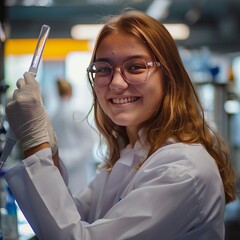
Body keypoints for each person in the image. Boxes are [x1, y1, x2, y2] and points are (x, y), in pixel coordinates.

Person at [4, 10, 237, 240]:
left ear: (169, 76)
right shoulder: (130, 155)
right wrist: (49, 151)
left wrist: (35, 141)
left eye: (135, 67)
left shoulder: (181, 169)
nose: (116, 83)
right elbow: (71, 217)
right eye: (104, 69)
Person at [51, 79, 97, 194]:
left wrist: (61, 158)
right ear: (71, 92)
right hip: (76, 168)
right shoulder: (76, 113)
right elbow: (88, 143)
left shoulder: (53, 115)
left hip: (62, 165)